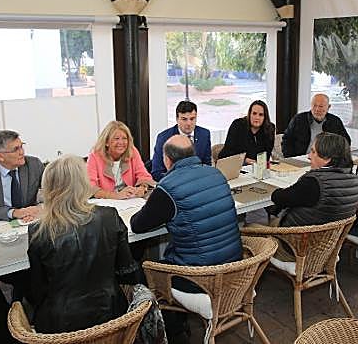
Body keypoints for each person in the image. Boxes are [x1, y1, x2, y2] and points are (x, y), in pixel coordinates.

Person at [131, 135, 242, 343]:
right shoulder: (216, 174)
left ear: (167, 160)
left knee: (143, 272)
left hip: (199, 278)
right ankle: (179, 323)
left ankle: (174, 333)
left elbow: (138, 225)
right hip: (236, 269)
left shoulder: (168, 188)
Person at [27, 154, 141, 333]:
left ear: (47, 188)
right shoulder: (109, 216)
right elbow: (127, 271)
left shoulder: (39, 231)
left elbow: (37, 290)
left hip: (60, 324)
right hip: (111, 315)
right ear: (83, 183)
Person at [268, 132, 358, 227]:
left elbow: (279, 197)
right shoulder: (354, 180)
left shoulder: (314, 183)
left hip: (297, 233)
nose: (309, 156)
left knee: (260, 224)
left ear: (327, 158)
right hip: (333, 234)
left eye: (313, 152)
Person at [87, 121, 154, 199]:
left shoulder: (132, 151)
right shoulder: (95, 156)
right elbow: (90, 187)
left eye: (124, 138)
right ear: (106, 142)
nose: (121, 142)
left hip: (129, 200)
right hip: (105, 201)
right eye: (116, 139)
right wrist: (115, 195)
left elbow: (144, 175)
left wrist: (142, 188)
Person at [151, 100, 211, 181]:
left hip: (198, 181)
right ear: (177, 119)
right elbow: (156, 172)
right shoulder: (164, 137)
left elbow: (207, 165)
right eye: (184, 119)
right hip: (173, 182)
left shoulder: (204, 134)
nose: (189, 123)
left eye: (192, 119)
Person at [281, 94, 351, 158]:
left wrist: (335, 155)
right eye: (314, 105)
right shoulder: (299, 119)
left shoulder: (335, 121)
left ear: (328, 107)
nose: (317, 109)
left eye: (321, 106)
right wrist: (290, 158)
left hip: (326, 159)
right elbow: (286, 140)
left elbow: (346, 141)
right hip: (302, 157)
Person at [218, 100, 276, 164]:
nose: (257, 117)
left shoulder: (270, 128)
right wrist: (245, 160)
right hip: (235, 164)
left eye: (261, 115)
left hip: (257, 166)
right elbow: (227, 152)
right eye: (254, 113)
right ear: (249, 114)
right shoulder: (237, 125)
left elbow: (266, 156)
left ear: (265, 117)